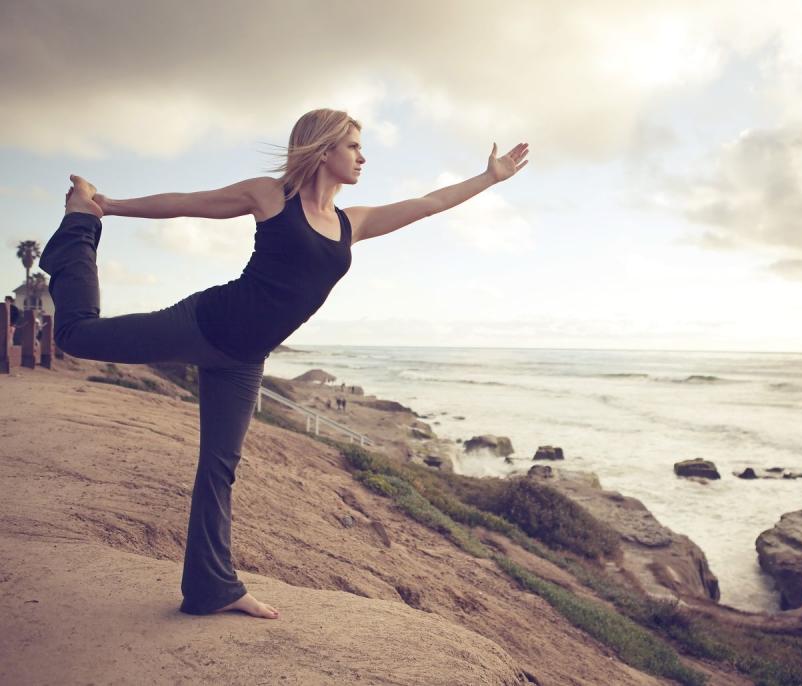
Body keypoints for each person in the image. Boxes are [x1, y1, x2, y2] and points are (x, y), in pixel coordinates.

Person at [37, 108, 528, 620]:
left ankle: (212, 590)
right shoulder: (272, 197)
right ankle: (78, 224)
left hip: (245, 359)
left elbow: (428, 204)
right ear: (323, 149)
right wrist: (105, 207)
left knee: (219, 470)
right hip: (204, 323)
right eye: (354, 146)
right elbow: (188, 204)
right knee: (77, 335)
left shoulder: (350, 224)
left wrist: (489, 178)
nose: (363, 156)